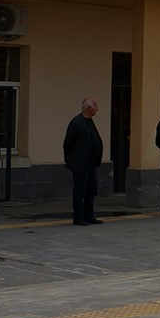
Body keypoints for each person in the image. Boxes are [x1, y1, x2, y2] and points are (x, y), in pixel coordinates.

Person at [63, 97, 104, 226]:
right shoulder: (77, 123)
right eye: (95, 106)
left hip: (91, 162)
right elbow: (68, 143)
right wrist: (70, 158)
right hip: (80, 163)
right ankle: (78, 217)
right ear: (89, 108)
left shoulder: (89, 121)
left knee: (92, 189)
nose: (97, 109)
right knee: (80, 190)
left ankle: (89, 215)